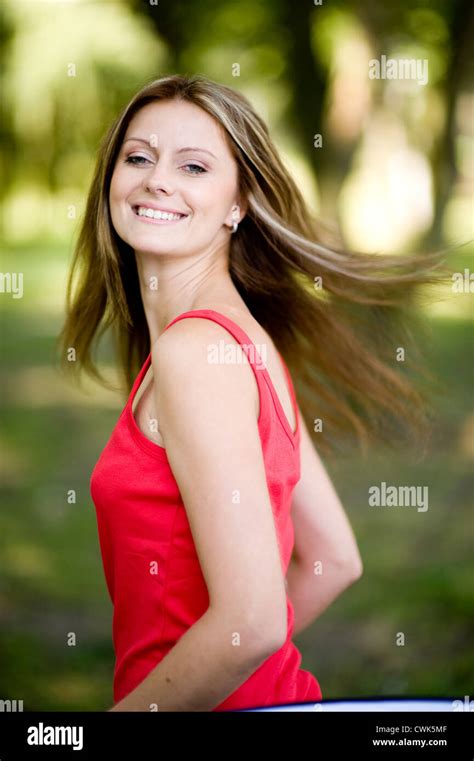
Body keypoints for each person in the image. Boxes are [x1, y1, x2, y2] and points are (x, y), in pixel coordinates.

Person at [57, 74, 449, 711]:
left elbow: (254, 624)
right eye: (138, 156)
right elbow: (333, 558)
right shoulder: (243, 339)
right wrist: (233, 673)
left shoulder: (196, 356)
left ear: (238, 203)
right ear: (110, 180)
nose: (158, 179)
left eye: (194, 165)